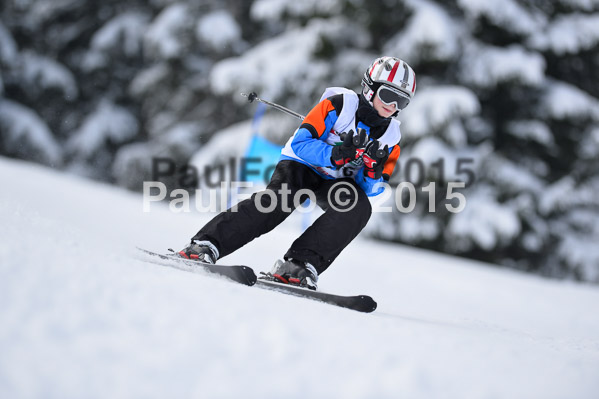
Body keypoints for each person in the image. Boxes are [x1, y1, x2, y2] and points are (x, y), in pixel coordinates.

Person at [177, 56, 416, 290]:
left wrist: (373, 170)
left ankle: (299, 265)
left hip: (336, 180)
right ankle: (205, 244)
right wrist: (336, 154)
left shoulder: (391, 138)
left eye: (402, 102)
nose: (392, 106)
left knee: (358, 208)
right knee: (278, 202)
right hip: (301, 165)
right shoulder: (339, 105)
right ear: (369, 88)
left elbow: (371, 189)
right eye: (388, 95)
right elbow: (302, 143)